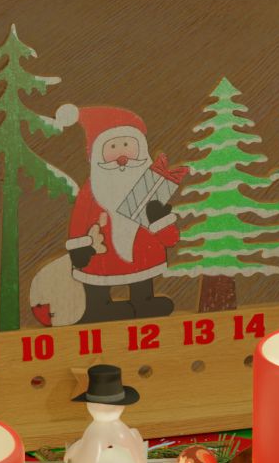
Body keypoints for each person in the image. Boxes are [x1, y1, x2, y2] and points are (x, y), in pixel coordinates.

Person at [51, 104, 184, 323]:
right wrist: (80, 247)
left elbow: (169, 237)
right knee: (97, 282)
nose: (121, 155)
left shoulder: (148, 186)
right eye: (113, 146)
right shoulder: (92, 191)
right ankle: (98, 306)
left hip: (142, 254)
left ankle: (143, 302)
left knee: (142, 279)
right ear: (98, 154)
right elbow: (79, 220)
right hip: (101, 253)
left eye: (127, 145)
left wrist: (159, 219)